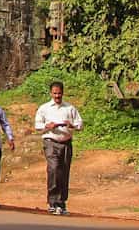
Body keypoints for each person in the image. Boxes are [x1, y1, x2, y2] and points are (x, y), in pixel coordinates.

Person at [34, 80, 83, 216]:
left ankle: (61, 202)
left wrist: (71, 124)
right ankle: (53, 201)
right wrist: (47, 126)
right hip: (51, 141)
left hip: (66, 143)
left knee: (64, 171)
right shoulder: (44, 108)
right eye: (55, 93)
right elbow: (37, 126)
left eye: (59, 94)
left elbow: (80, 124)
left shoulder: (70, 108)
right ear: (51, 93)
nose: (57, 96)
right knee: (54, 169)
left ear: (63, 93)